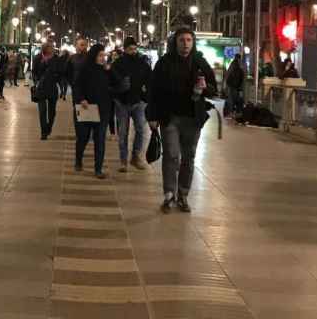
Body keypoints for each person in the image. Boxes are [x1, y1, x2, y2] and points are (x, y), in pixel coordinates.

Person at [147, 27, 218, 213]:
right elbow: (153, 90)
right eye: (181, 40)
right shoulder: (164, 63)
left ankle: (183, 195)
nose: (185, 43)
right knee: (171, 154)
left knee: (189, 157)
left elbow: (214, 89)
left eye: (188, 40)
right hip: (169, 117)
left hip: (193, 118)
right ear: (175, 42)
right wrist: (152, 116)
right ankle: (169, 194)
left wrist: (205, 88)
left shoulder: (200, 62)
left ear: (193, 42)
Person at [111, 37, 152, 172]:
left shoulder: (142, 63)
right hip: (122, 102)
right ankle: (123, 160)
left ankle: (136, 156)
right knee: (123, 132)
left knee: (141, 129)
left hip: (139, 102)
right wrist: (119, 88)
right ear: (125, 49)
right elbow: (111, 82)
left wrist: (145, 96)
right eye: (130, 49)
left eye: (134, 49)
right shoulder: (118, 63)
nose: (133, 51)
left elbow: (150, 80)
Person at [74, 44, 113, 178]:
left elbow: (117, 84)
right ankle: (78, 159)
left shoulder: (106, 70)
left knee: (100, 139)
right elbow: (77, 85)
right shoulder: (85, 69)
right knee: (83, 137)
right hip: (87, 108)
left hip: (103, 110)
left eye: (104, 55)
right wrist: (81, 99)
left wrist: (110, 70)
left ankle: (98, 169)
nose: (103, 58)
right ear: (94, 56)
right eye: (100, 55)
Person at [32, 43, 61, 140]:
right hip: (41, 88)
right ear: (44, 49)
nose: (51, 50)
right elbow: (34, 72)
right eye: (49, 48)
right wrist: (43, 63)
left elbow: (59, 71)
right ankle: (43, 132)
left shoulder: (56, 58)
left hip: (52, 87)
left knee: (52, 112)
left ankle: (49, 127)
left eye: (51, 49)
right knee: (42, 111)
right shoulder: (38, 58)